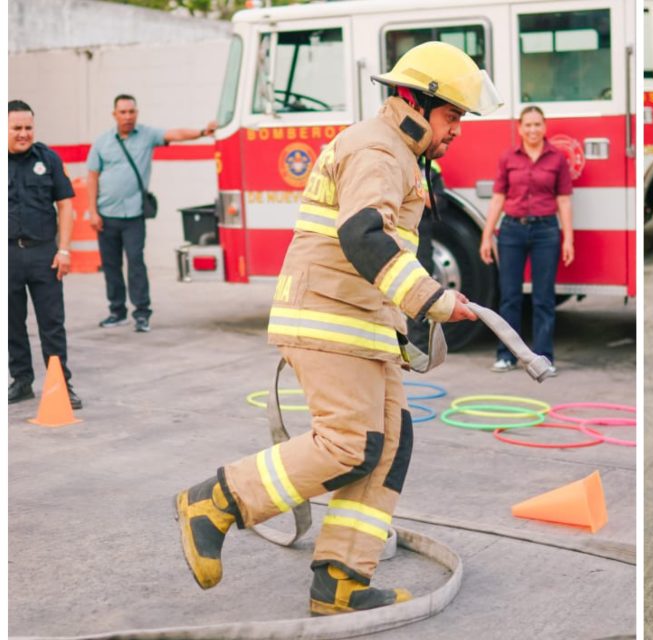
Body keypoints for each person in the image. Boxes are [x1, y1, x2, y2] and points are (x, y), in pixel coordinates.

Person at [174, 41, 498, 615]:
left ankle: (341, 579)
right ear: (416, 103)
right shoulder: (377, 150)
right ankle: (218, 500)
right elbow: (362, 236)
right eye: (453, 116)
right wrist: (432, 300)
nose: (458, 131)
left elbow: (384, 249)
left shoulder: (398, 151)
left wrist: (414, 312)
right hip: (329, 318)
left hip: (365, 325)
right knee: (350, 445)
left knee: (389, 446)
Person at [86, 94, 217, 333]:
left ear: (137, 113)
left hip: (135, 216)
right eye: (123, 112)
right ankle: (116, 311)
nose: (127, 116)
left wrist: (202, 132)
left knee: (136, 262)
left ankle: (141, 313)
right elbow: (92, 178)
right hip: (107, 216)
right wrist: (92, 212)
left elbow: (174, 134)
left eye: (131, 112)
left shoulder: (146, 136)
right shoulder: (102, 142)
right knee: (111, 265)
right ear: (114, 114)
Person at [479, 105, 574, 375]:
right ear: (520, 129)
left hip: (546, 231)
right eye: (528, 125)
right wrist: (487, 236)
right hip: (511, 231)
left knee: (543, 298)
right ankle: (506, 355)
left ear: (545, 127)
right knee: (510, 297)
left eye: (537, 124)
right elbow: (498, 198)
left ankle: (544, 357)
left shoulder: (557, 159)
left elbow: (564, 200)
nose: (533, 130)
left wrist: (568, 238)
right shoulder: (508, 157)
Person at [8, 100, 82, 410]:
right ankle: (21, 381)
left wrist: (64, 249)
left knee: (52, 323)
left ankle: (60, 384)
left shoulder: (48, 159)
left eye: (28, 128)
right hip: (8, 255)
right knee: (11, 322)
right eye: (16, 128)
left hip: (44, 254)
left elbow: (65, 205)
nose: (24, 134)